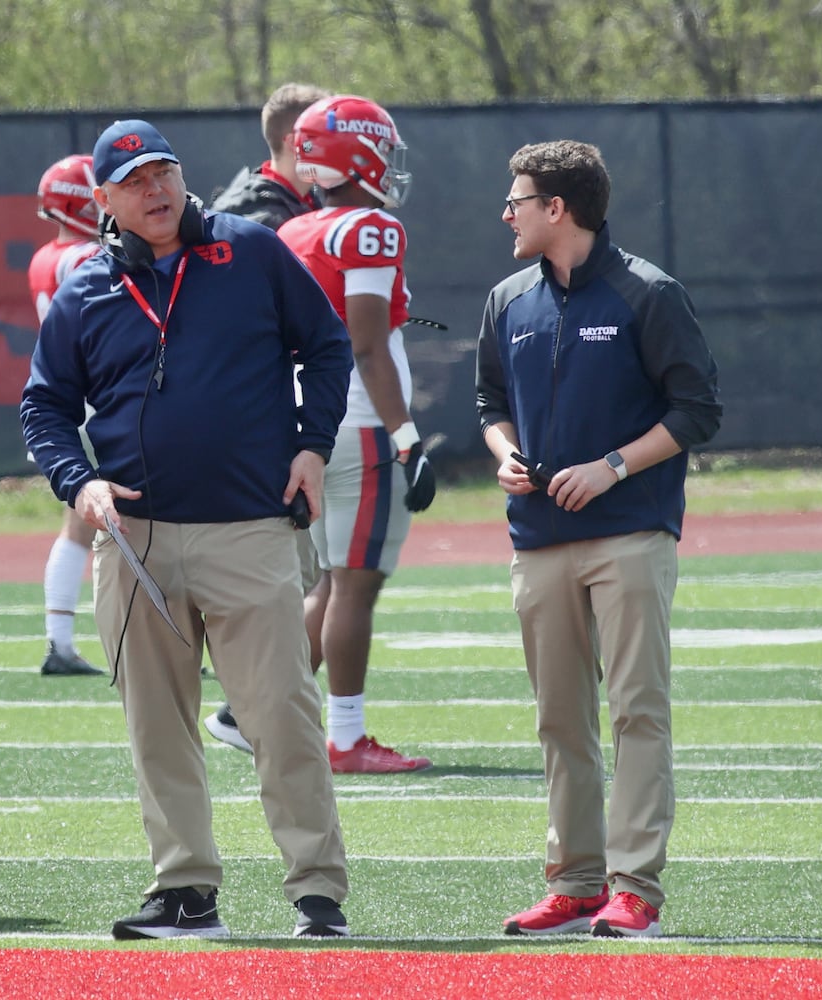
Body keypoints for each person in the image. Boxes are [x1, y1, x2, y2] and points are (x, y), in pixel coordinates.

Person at [21, 119, 355, 939]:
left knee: (280, 714)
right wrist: (81, 481)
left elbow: (328, 346)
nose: (155, 189)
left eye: (163, 171)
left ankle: (317, 892)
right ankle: (186, 891)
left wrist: (313, 449)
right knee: (156, 725)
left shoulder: (252, 249)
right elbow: (46, 407)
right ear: (102, 200)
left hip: (249, 527)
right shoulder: (86, 288)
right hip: (134, 537)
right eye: (133, 181)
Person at [475, 140, 722, 939]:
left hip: (629, 533)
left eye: (517, 199)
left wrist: (613, 467)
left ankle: (635, 888)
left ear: (558, 208)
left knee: (637, 711)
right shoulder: (507, 299)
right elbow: (488, 403)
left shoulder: (649, 293)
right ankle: (575, 882)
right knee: (558, 718)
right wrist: (507, 454)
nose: (504, 213)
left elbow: (697, 411)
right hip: (537, 539)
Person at [276, 94, 435, 774]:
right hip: (359, 424)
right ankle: (344, 736)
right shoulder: (367, 228)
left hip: (304, 424)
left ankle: (254, 714)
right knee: (353, 587)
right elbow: (367, 348)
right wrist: (406, 436)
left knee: (325, 584)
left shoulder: (294, 231)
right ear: (361, 152)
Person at [201, 80, 328, 754]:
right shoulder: (254, 212)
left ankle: (254, 709)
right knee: (298, 570)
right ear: (292, 143)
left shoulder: (301, 206)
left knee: (310, 572)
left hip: (283, 410)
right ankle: (247, 711)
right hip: (249, 423)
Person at [27, 153, 105, 677]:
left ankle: (59, 639)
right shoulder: (83, 260)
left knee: (79, 524)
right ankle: (143, 635)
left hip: (70, 398)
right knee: (122, 526)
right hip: (98, 399)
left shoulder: (46, 257)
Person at [208, 82, 329, 229]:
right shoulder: (257, 221)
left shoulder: (315, 198)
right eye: (322, 134)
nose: (334, 142)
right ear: (294, 142)